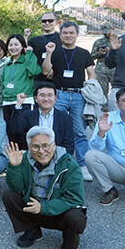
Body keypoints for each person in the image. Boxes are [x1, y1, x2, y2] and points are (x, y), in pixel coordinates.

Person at [2, 127, 87, 249]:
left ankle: (70, 240)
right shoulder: (23, 159)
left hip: (59, 213)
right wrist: (14, 167)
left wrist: (43, 207)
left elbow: (75, 199)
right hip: (34, 207)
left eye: (45, 146)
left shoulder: (70, 165)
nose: (41, 151)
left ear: (53, 145)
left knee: (75, 217)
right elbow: (16, 187)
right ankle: (32, 231)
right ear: (29, 147)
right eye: (35, 147)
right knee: (10, 196)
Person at [41, 21, 95, 171]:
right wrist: (49, 53)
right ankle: (57, 162)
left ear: (77, 34)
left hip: (79, 95)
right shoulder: (55, 51)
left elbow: (92, 74)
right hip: (59, 94)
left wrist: (92, 92)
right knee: (57, 129)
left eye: (71, 33)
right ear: (60, 35)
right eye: (65, 33)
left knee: (79, 131)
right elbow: (45, 71)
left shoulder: (84, 53)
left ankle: (82, 165)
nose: (68, 35)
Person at [8, 83, 75, 160]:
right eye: (42, 95)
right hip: (33, 156)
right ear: (36, 99)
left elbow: (69, 144)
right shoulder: (28, 115)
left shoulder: (65, 118)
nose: (46, 99)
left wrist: (62, 160)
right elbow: (15, 132)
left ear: (55, 98)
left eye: (50, 95)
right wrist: (18, 105)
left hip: (57, 158)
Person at [0, 34, 41, 125]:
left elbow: (35, 72)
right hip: (7, 102)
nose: (13, 47)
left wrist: (29, 53)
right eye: (10, 45)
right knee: (10, 132)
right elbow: (3, 83)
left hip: (24, 101)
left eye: (16, 44)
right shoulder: (7, 65)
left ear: (22, 46)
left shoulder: (27, 59)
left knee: (24, 132)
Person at [27, 12, 61, 83]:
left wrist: (54, 70)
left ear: (56, 22)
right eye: (44, 21)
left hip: (57, 80)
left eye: (50, 20)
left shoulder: (62, 38)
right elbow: (26, 54)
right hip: (38, 79)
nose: (47, 23)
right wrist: (25, 36)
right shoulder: (34, 40)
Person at [90, 22, 115, 112]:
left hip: (115, 70)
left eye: (108, 32)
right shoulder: (98, 42)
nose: (107, 34)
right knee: (102, 93)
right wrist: (99, 53)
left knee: (117, 92)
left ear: (113, 29)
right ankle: (103, 113)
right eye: (104, 32)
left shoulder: (118, 40)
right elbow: (91, 57)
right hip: (101, 70)